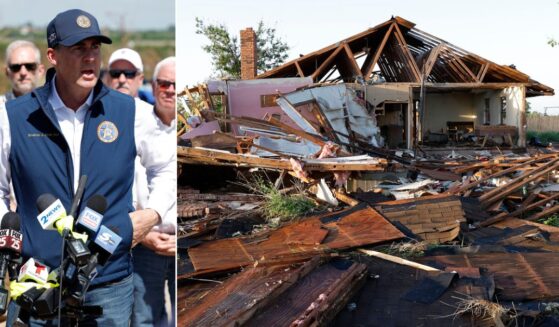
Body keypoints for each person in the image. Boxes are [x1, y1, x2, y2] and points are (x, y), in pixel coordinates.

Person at [0, 9, 175, 326]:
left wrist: (151, 215)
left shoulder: (131, 112)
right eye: (79, 48)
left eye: (95, 48)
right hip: (37, 285)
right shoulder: (14, 116)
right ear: (53, 56)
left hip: (108, 286)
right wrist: (12, 232)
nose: (90, 57)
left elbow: (167, 167)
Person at [131, 57, 176, 327]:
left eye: (175, 84)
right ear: (154, 84)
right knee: (145, 319)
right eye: (164, 83)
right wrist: (144, 234)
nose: (170, 89)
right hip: (146, 244)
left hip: (185, 244)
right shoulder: (137, 126)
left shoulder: (194, 131)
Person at [1, 40, 45, 105]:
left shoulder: (54, 106)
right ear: (7, 72)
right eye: (16, 67)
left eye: (30, 66)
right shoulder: (2, 109)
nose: (23, 73)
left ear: (40, 71)